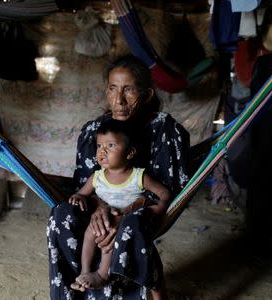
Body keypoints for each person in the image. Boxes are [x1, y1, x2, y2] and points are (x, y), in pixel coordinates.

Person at [47, 54, 190, 300]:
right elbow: (85, 182)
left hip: (141, 211)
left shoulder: (165, 131)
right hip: (99, 205)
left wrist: (121, 213)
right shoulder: (96, 131)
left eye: (129, 91)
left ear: (146, 95)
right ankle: (72, 292)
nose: (119, 100)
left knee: (129, 225)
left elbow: (168, 189)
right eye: (113, 89)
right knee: (61, 215)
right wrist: (99, 208)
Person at [68, 119, 170, 292]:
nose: (102, 151)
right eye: (99, 146)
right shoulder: (97, 177)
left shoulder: (138, 176)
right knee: (90, 233)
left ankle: (102, 274)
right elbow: (81, 193)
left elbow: (164, 194)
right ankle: (85, 271)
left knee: (111, 228)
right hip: (102, 219)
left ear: (130, 152)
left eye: (110, 145)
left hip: (125, 221)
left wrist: (159, 208)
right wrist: (78, 198)